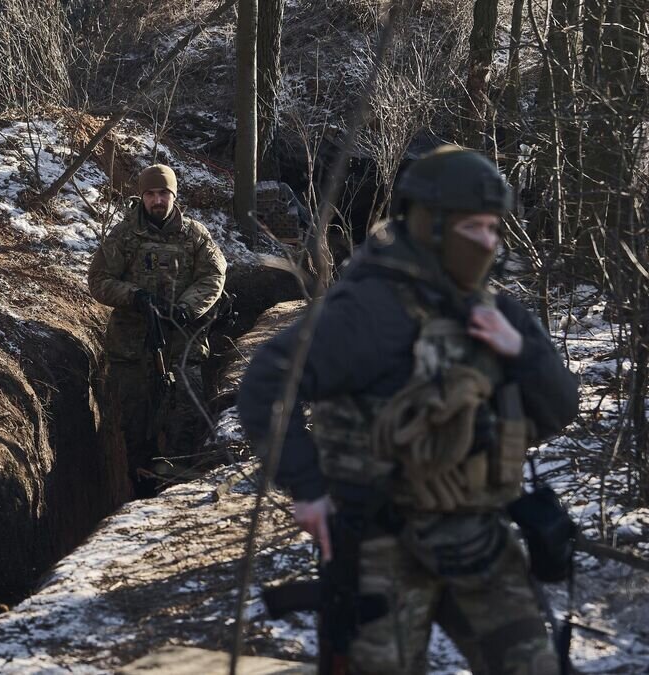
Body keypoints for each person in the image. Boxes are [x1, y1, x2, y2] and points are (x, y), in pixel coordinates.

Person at [238, 146, 579, 673]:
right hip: (380, 547)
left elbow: (559, 408)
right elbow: (264, 384)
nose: (490, 244)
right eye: (476, 228)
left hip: (479, 539)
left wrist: (521, 349)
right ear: (433, 225)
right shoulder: (368, 311)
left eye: (495, 229)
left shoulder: (495, 308)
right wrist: (307, 489)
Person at [88, 164, 228, 498]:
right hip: (133, 352)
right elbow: (99, 280)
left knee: (186, 427)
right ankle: (142, 494)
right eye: (150, 194)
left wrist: (185, 308)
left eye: (163, 193)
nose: (157, 200)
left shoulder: (195, 235)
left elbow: (214, 275)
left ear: (174, 196)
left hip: (183, 349)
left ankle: (178, 494)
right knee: (137, 432)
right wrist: (135, 297)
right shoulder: (123, 236)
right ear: (141, 197)